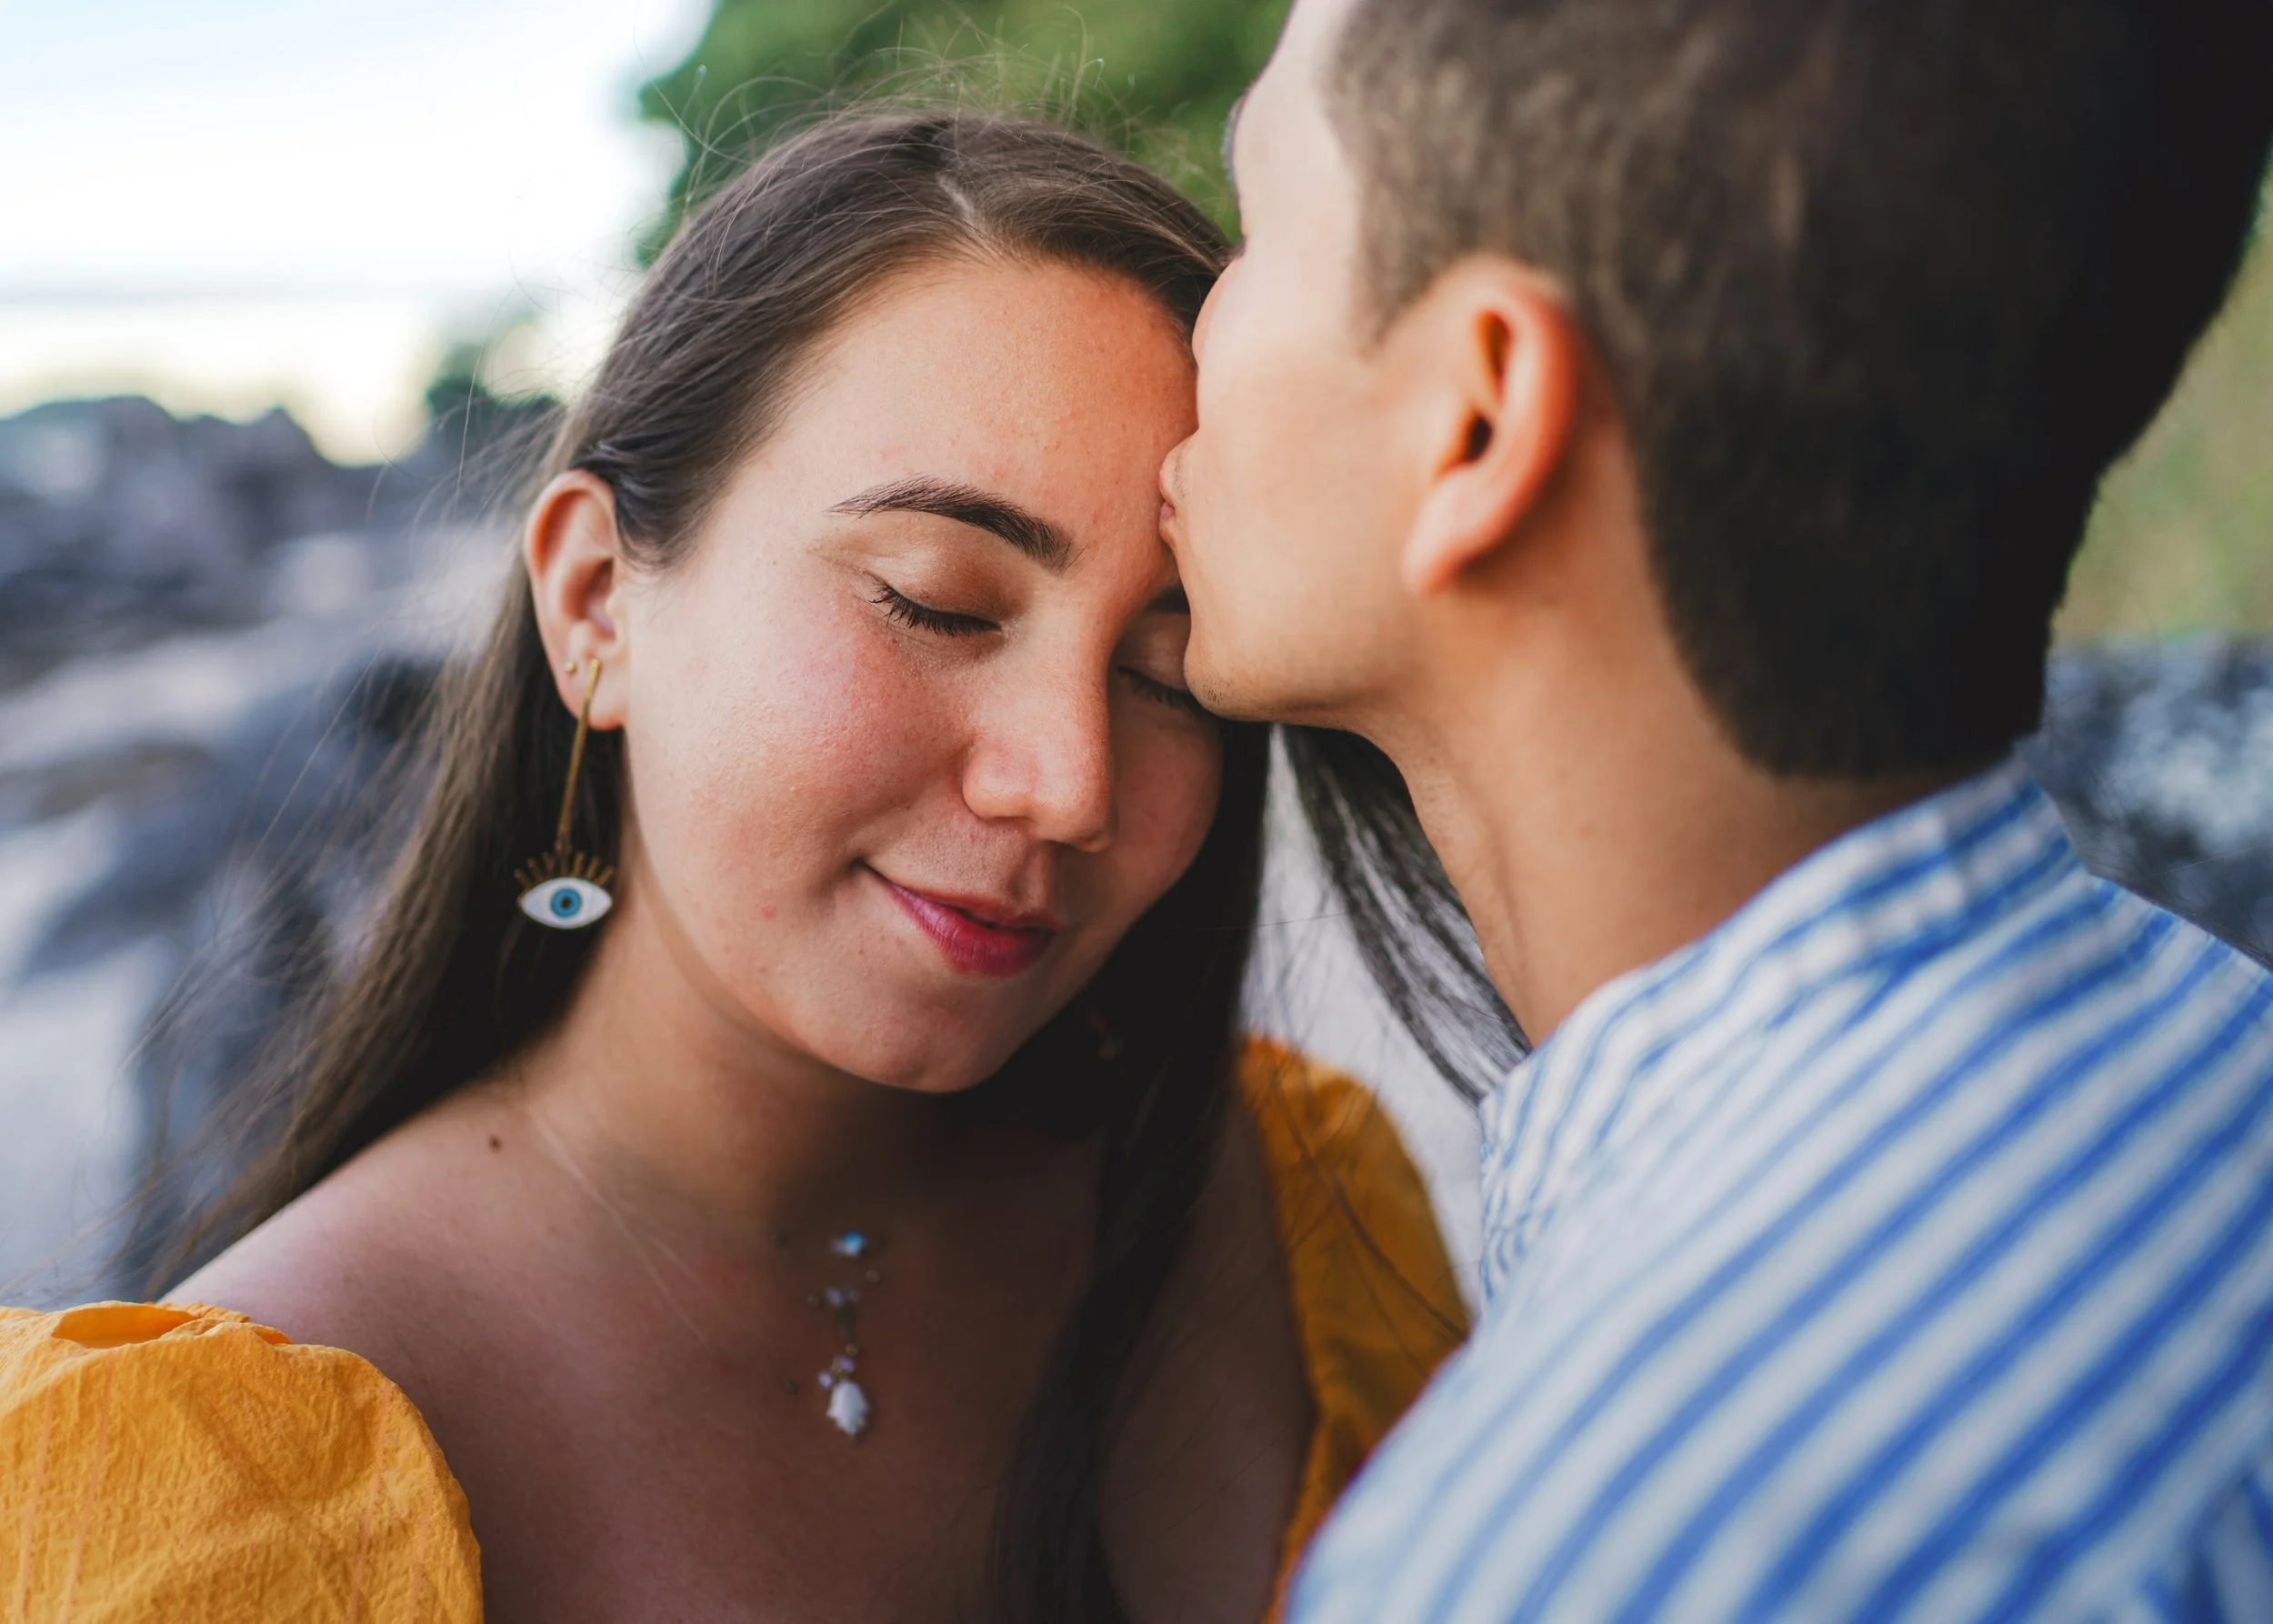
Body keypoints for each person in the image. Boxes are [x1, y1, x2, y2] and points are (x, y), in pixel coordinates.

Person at [0, 112, 1467, 1624]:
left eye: (1170, 675)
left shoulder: (1293, 1203)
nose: (1072, 782)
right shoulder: (208, 1496)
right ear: (594, 605)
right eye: (939, 603)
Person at [1160, 0, 2273, 1618]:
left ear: (1477, 419)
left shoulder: (1553, 1561)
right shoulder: (2226, 1046)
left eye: (1253, 226)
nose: (1197, 316)